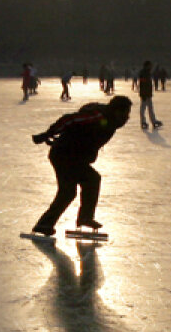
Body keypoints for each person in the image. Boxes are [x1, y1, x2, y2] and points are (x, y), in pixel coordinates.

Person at [30, 96, 132, 237]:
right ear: (116, 111)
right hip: (64, 155)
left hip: (71, 156)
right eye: (125, 113)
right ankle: (81, 218)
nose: (127, 118)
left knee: (72, 189)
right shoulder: (99, 116)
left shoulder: (111, 121)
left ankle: (46, 224)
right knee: (88, 181)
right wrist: (47, 134)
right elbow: (69, 119)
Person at [136, 61, 163, 130]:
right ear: (147, 66)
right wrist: (143, 94)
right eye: (150, 65)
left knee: (150, 108)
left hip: (148, 94)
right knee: (143, 108)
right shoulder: (144, 73)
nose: (151, 66)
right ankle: (143, 122)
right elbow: (143, 85)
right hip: (145, 94)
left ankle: (153, 121)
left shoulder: (147, 72)